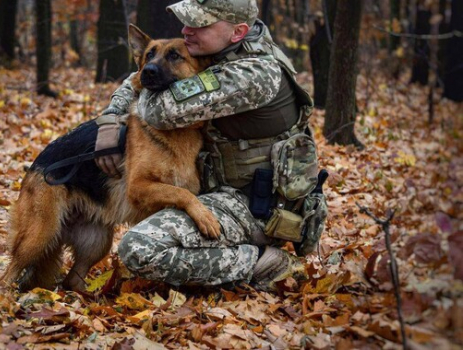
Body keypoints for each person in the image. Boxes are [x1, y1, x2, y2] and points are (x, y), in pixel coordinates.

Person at [94, 0, 327, 291]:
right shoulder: (218, 54)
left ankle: (264, 262)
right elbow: (142, 75)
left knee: (140, 249)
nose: (186, 30)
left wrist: (139, 87)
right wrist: (110, 119)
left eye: (200, 24)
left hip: (256, 205)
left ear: (238, 31)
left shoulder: (254, 73)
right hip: (219, 189)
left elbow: (158, 109)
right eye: (187, 22)